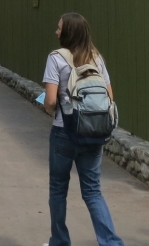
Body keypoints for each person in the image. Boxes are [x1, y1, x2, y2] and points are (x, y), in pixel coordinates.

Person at [42, 13, 124, 246]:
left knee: (58, 189)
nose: (56, 32)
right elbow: (109, 96)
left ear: (68, 33)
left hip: (63, 132)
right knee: (92, 191)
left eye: (59, 29)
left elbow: (50, 100)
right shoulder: (97, 58)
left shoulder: (56, 58)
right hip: (93, 133)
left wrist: (54, 110)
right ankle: (111, 242)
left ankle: (59, 241)